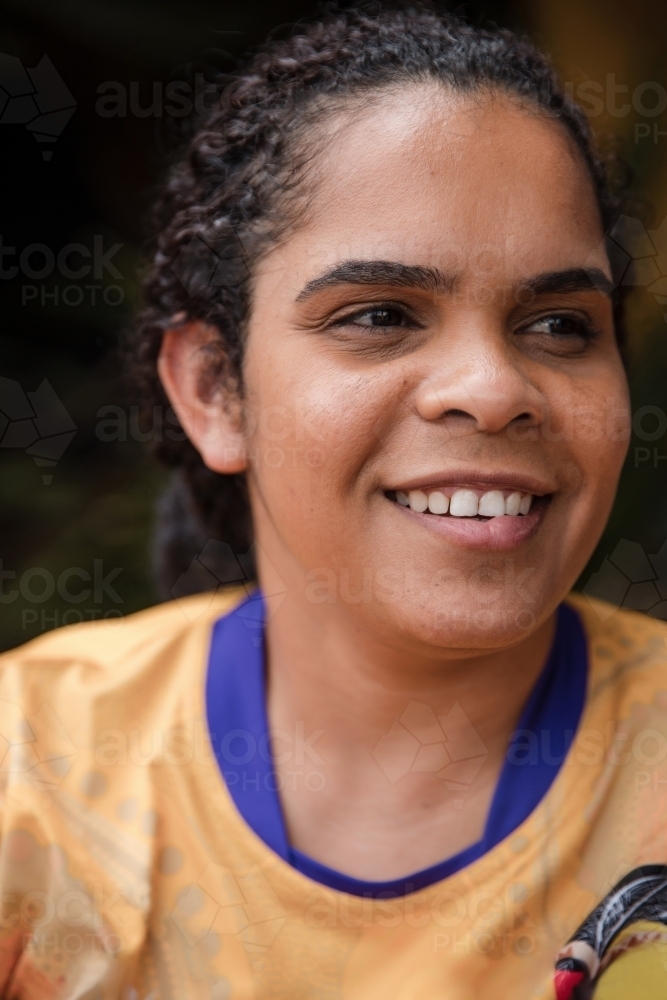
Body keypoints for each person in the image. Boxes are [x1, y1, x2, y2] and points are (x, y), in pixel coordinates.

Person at [1, 4, 666, 997]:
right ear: (215, 389)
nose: (492, 387)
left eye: (561, 325)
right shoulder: (32, 776)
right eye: (381, 315)